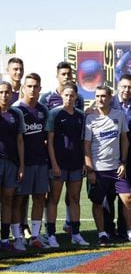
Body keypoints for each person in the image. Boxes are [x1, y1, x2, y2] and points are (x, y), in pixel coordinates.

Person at [84, 85, 131, 245]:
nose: (100, 99)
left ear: (110, 97)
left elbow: (124, 139)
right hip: (98, 170)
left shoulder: (119, 115)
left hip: (116, 168)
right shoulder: (90, 118)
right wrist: (89, 169)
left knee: (128, 198)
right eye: (97, 96)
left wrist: (123, 162)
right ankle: (102, 234)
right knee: (98, 202)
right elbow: (86, 146)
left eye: (103, 96)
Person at [45, 82, 89, 247]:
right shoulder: (54, 114)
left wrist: (84, 161)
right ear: (61, 95)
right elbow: (49, 142)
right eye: (66, 95)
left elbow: (83, 141)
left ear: (76, 97)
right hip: (58, 164)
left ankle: (76, 233)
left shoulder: (80, 115)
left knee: (75, 199)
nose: (69, 98)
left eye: (72, 95)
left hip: (76, 164)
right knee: (54, 199)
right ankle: (50, 235)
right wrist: (54, 164)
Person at [13, 73, 50, 248]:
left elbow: (47, 137)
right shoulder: (16, 109)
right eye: (29, 86)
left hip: (41, 162)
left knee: (39, 198)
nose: (32, 89)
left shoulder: (43, 110)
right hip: (22, 164)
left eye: (36, 86)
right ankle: (17, 237)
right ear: (23, 88)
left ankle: (35, 236)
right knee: (19, 199)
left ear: (40, 89)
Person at [102, 74, 131, 240]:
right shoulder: (108, 102)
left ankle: (124, 230)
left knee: (126, 193)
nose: (127, 90)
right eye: (124, 86)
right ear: (118, 87)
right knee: (108, 194)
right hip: (108, 155)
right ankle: (108, 230)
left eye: (130, 87)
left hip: (128, 156)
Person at [0, 81, 25, 251]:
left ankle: (4, 239)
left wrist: (22, 165)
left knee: (8, 199)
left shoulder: (16, 114)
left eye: (7, 92)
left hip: (12, 163)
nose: (4, 95)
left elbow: (20, 141)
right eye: (1, 92)